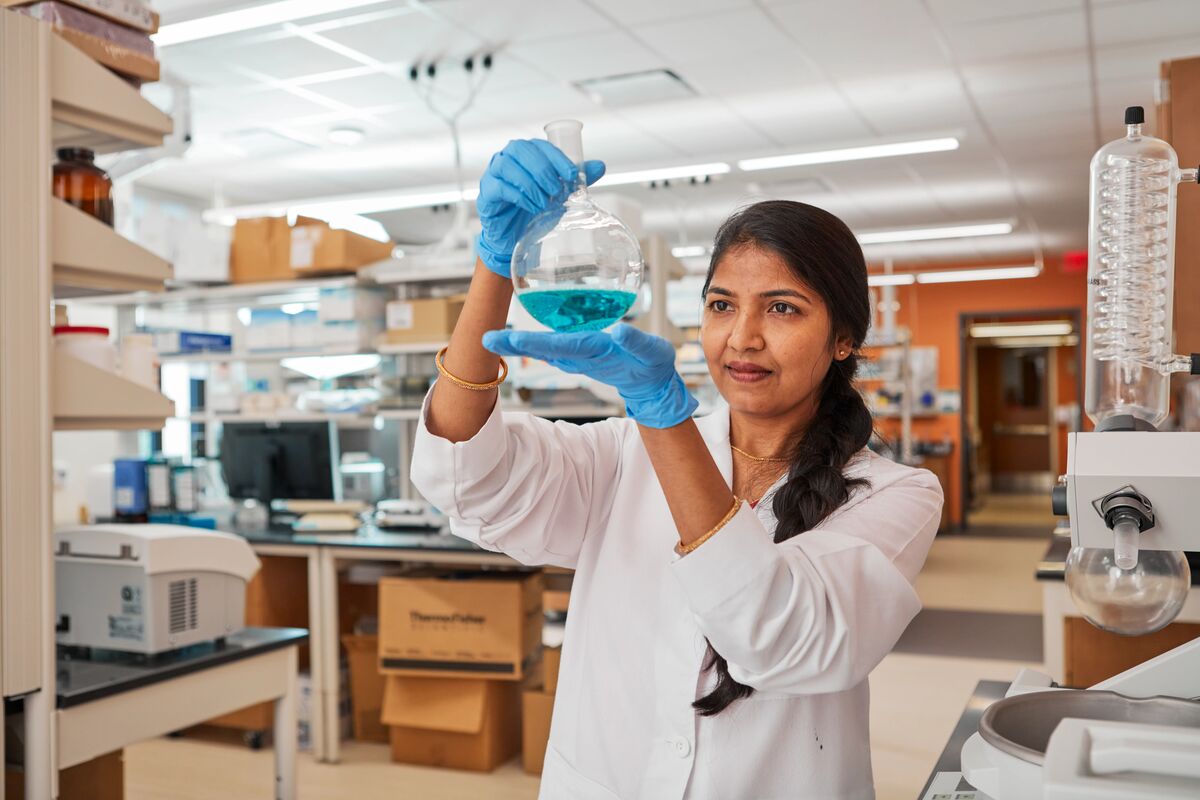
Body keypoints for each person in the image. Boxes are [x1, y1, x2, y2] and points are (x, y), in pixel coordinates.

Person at [411, 139, 944, 800]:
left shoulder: (897, 495)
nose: (742, 336)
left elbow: (779, 636)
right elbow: (468, 478)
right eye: (722, 305)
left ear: (844, 339)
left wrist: (662, 417)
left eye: (782, 308)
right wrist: (496, 262)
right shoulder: (622, 453)